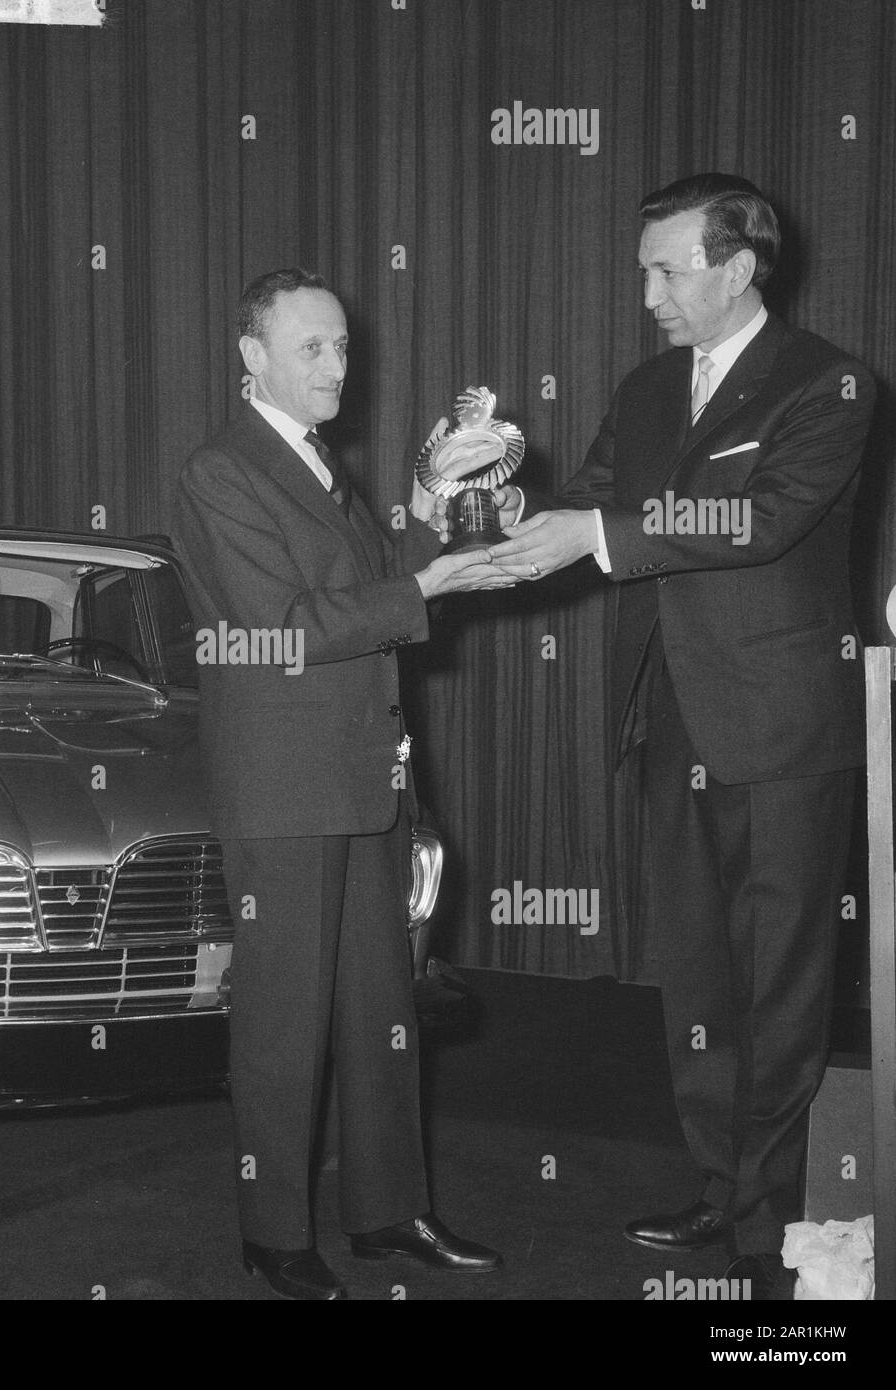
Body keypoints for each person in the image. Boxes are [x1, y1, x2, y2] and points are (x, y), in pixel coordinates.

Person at [488, 174, 876, 1299]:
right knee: (698, 977)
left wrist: (593, 529)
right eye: (645, 268)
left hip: (782, 728)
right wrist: (488, 500)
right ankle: (719, 1186)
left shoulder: (829, 384)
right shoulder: (651, 386)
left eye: (668, 268)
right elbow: (592, 503)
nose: (647, 289)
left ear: (738, 267)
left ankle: (767, 1223)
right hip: (671, 719)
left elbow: (755, 519)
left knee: (780, 985)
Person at [174, 267, 511, 1300]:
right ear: (252, 358)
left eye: (342, 347)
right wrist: (428, 581)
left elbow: (372, 584)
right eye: (310, 348)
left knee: (382, 1007)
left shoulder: (318, 464)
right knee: (282, 1020)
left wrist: (427, 501)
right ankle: (272, 1230)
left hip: (364, 773)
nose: (335, 366)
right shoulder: (221, 472)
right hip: (282, 786)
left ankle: (389, 1210)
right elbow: (291, 627)